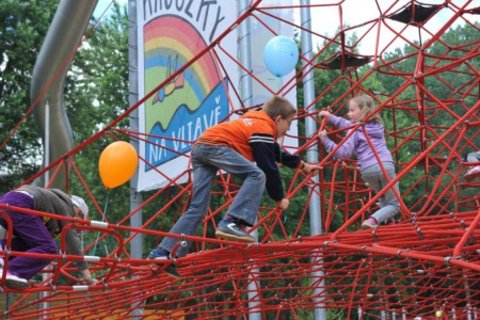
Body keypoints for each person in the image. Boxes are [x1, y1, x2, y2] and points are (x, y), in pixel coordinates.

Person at [147, 95, 319, 278]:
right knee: (256, 174)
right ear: (278, 119)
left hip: (201, 147)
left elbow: (275, 152)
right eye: (289, 123)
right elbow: (268, 167)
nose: (288, 129)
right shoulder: (263, 127)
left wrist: (302, 166)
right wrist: (279, 197)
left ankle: (163, 253)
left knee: (198, 208)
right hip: (214, 146)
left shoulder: (256, 121)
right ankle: (232, 221)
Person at [318, 94, 400, 229]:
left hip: (368, 171)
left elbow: (343, 153)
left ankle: (388, 221)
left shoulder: (354, 130)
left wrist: (326, 140)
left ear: (363, 110)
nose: (348, 113)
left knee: (384, 197)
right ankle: (373, 220)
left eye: (352, 110)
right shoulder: (378, 126)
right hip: (384, 165)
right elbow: (347, 124)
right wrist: (330, 117)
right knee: (394, 204)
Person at [0, 185, 98, 289]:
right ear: (77, 210)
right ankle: (10, 272)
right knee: (49, 249)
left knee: (33, 245)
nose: (77, 226)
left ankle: (3, 254)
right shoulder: (66, 206)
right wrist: (88, 277)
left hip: (7, 202)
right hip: (21, 203)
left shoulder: (51, 205)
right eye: (80, 222)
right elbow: (73, 242)